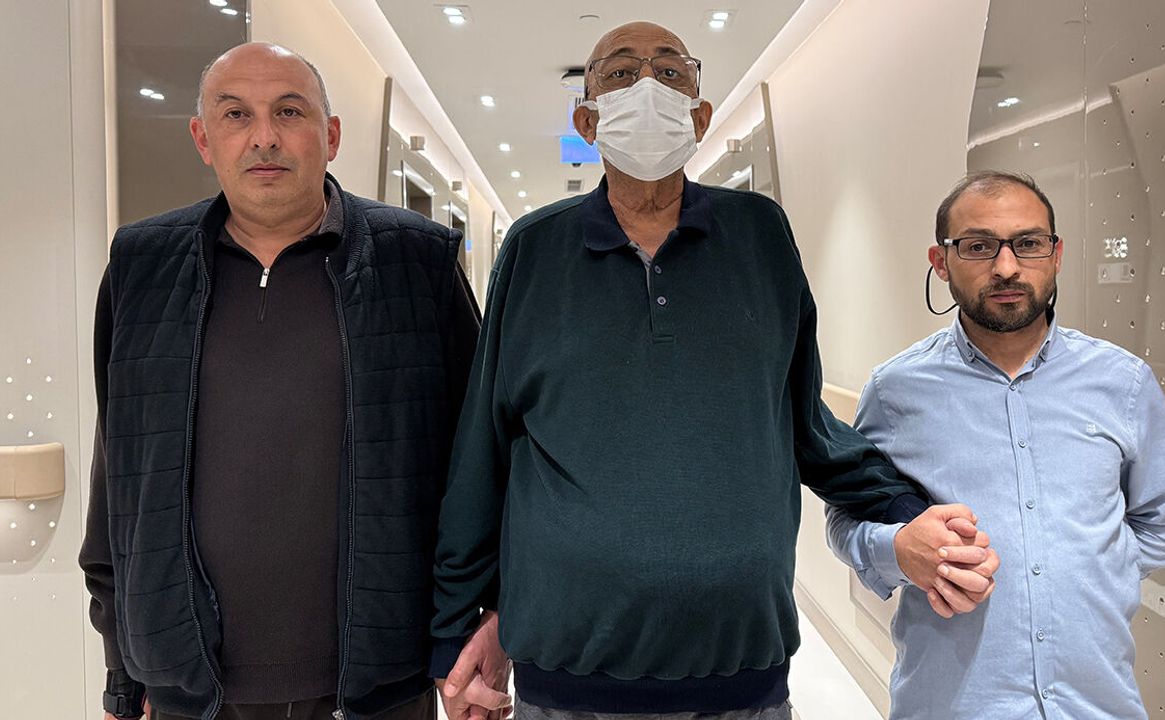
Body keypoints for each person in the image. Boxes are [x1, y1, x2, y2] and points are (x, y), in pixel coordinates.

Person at [431, 22, 992, 720]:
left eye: (670, 72)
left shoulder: (760, 235)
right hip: (566, 673)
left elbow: (803, 422)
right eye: (620, 73)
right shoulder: (534, 249)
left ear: (699, 117)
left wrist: (905, 511)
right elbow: (484, 449)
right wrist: (459, 623)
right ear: (587, 120)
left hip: (740, 673)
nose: (646, 86)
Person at [79, 42, 483, 720]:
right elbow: (120, 478)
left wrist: (466, 635)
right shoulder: (140, 266)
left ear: (331, 135)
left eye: (289, 111)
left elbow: (475, 467)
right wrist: (124, 671)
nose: (264, 136)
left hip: (377, 679)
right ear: (203, 139)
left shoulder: (419, 262)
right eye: (236, 114)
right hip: (187, 682)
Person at [825, 171, 1165, 718]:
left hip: (1096, 705)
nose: (1006, 267)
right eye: (978, 246)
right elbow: (844, 518)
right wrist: (898, 549)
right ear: (940, 261)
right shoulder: (896, 390)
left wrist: (1093, 568)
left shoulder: (1123, 383)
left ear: (1056, 255)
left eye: (1028, 243)